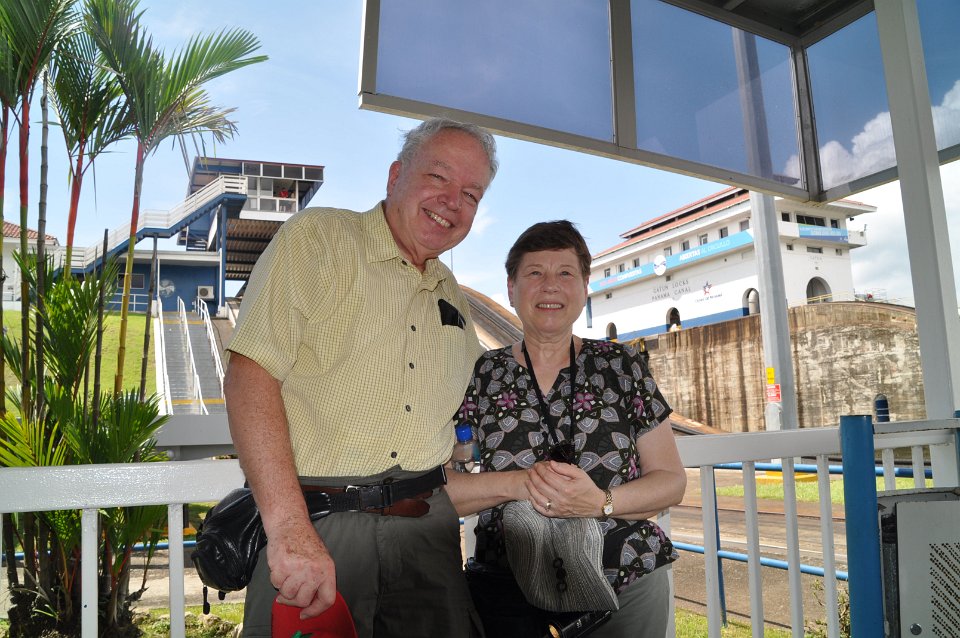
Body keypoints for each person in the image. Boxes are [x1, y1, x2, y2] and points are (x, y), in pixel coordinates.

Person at [224, 117, 498, 637]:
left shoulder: (453, 295)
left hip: (430, 536)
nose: (452, 202)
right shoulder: (319, 239)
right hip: (319, 527)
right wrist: (289, 530)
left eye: (471, 194)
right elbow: (249, 375)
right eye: (438, 177)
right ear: (395, 175)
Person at [446, 220, 687, 637]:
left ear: (585, 286)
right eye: (534, 273)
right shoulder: (481, 374)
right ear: (511, 289)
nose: (550, 286)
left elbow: (671, 482)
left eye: (565, 273)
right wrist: (522, 484)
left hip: (623, 582)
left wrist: (598, 502)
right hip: (509, 588)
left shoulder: (621, 366)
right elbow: (446, 488)